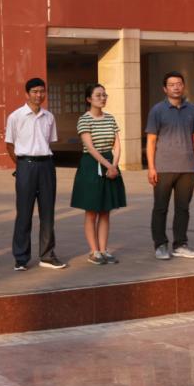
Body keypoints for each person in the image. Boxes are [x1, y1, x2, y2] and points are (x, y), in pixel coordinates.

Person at [6, 77, 66, 270]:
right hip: (26, 165)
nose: (39, 95)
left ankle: (47, 255)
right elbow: (9, 144)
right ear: (27, 94)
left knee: (47, 213)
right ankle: (21, 258)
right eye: (34, 92)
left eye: (42, 91)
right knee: (24, 213)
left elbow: (49, 142)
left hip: (46, 166)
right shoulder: (16, 116)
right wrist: (21, 165)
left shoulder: (49, 117)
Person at [146, 71, 194, 260]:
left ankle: (180, 244)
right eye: (171, 85)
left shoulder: (192, 110)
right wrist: (151, 167)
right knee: (160, 208)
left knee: (183, 208)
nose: (176, 87)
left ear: (183, 86)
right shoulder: (157, 110)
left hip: (188, 168)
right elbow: (151, 141)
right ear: (165, 89)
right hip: (163, 168)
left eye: (179, 84)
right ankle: (160, 245)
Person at [70, 84, 126, 265]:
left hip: (110, 164)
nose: (103, 98)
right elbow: (90, 147)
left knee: (105, 211)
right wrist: (109, 165)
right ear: (89, 99)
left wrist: (114, 165)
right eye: (98, 95)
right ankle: (94, 251)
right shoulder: (84, 120)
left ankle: (103, 250)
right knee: (91, 211)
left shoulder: (110, 118)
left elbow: (117, 145)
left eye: (104, 95)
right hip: (91, 166)